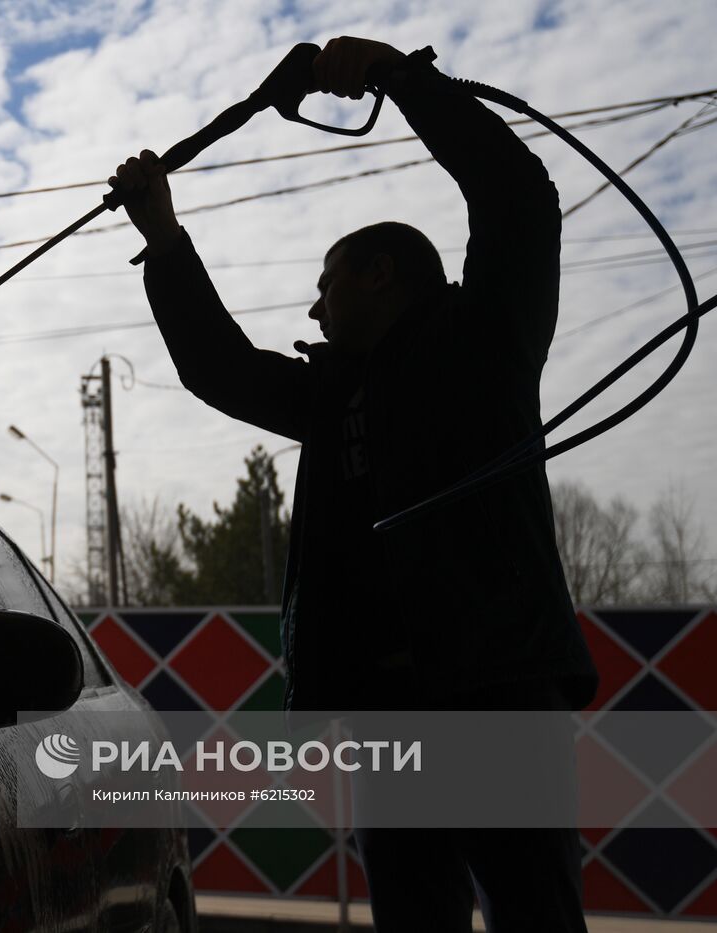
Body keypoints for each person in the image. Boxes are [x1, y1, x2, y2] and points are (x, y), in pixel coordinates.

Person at [111, 37, 599, 932]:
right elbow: (220, 367)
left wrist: (400, 80)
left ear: (381, 275)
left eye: (324, 282)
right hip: (390, 721)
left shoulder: (487, 339)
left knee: (537, 915)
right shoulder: (333, 394)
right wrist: (165, 238)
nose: (312, 306)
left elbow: (518, 196)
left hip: (496, 697)